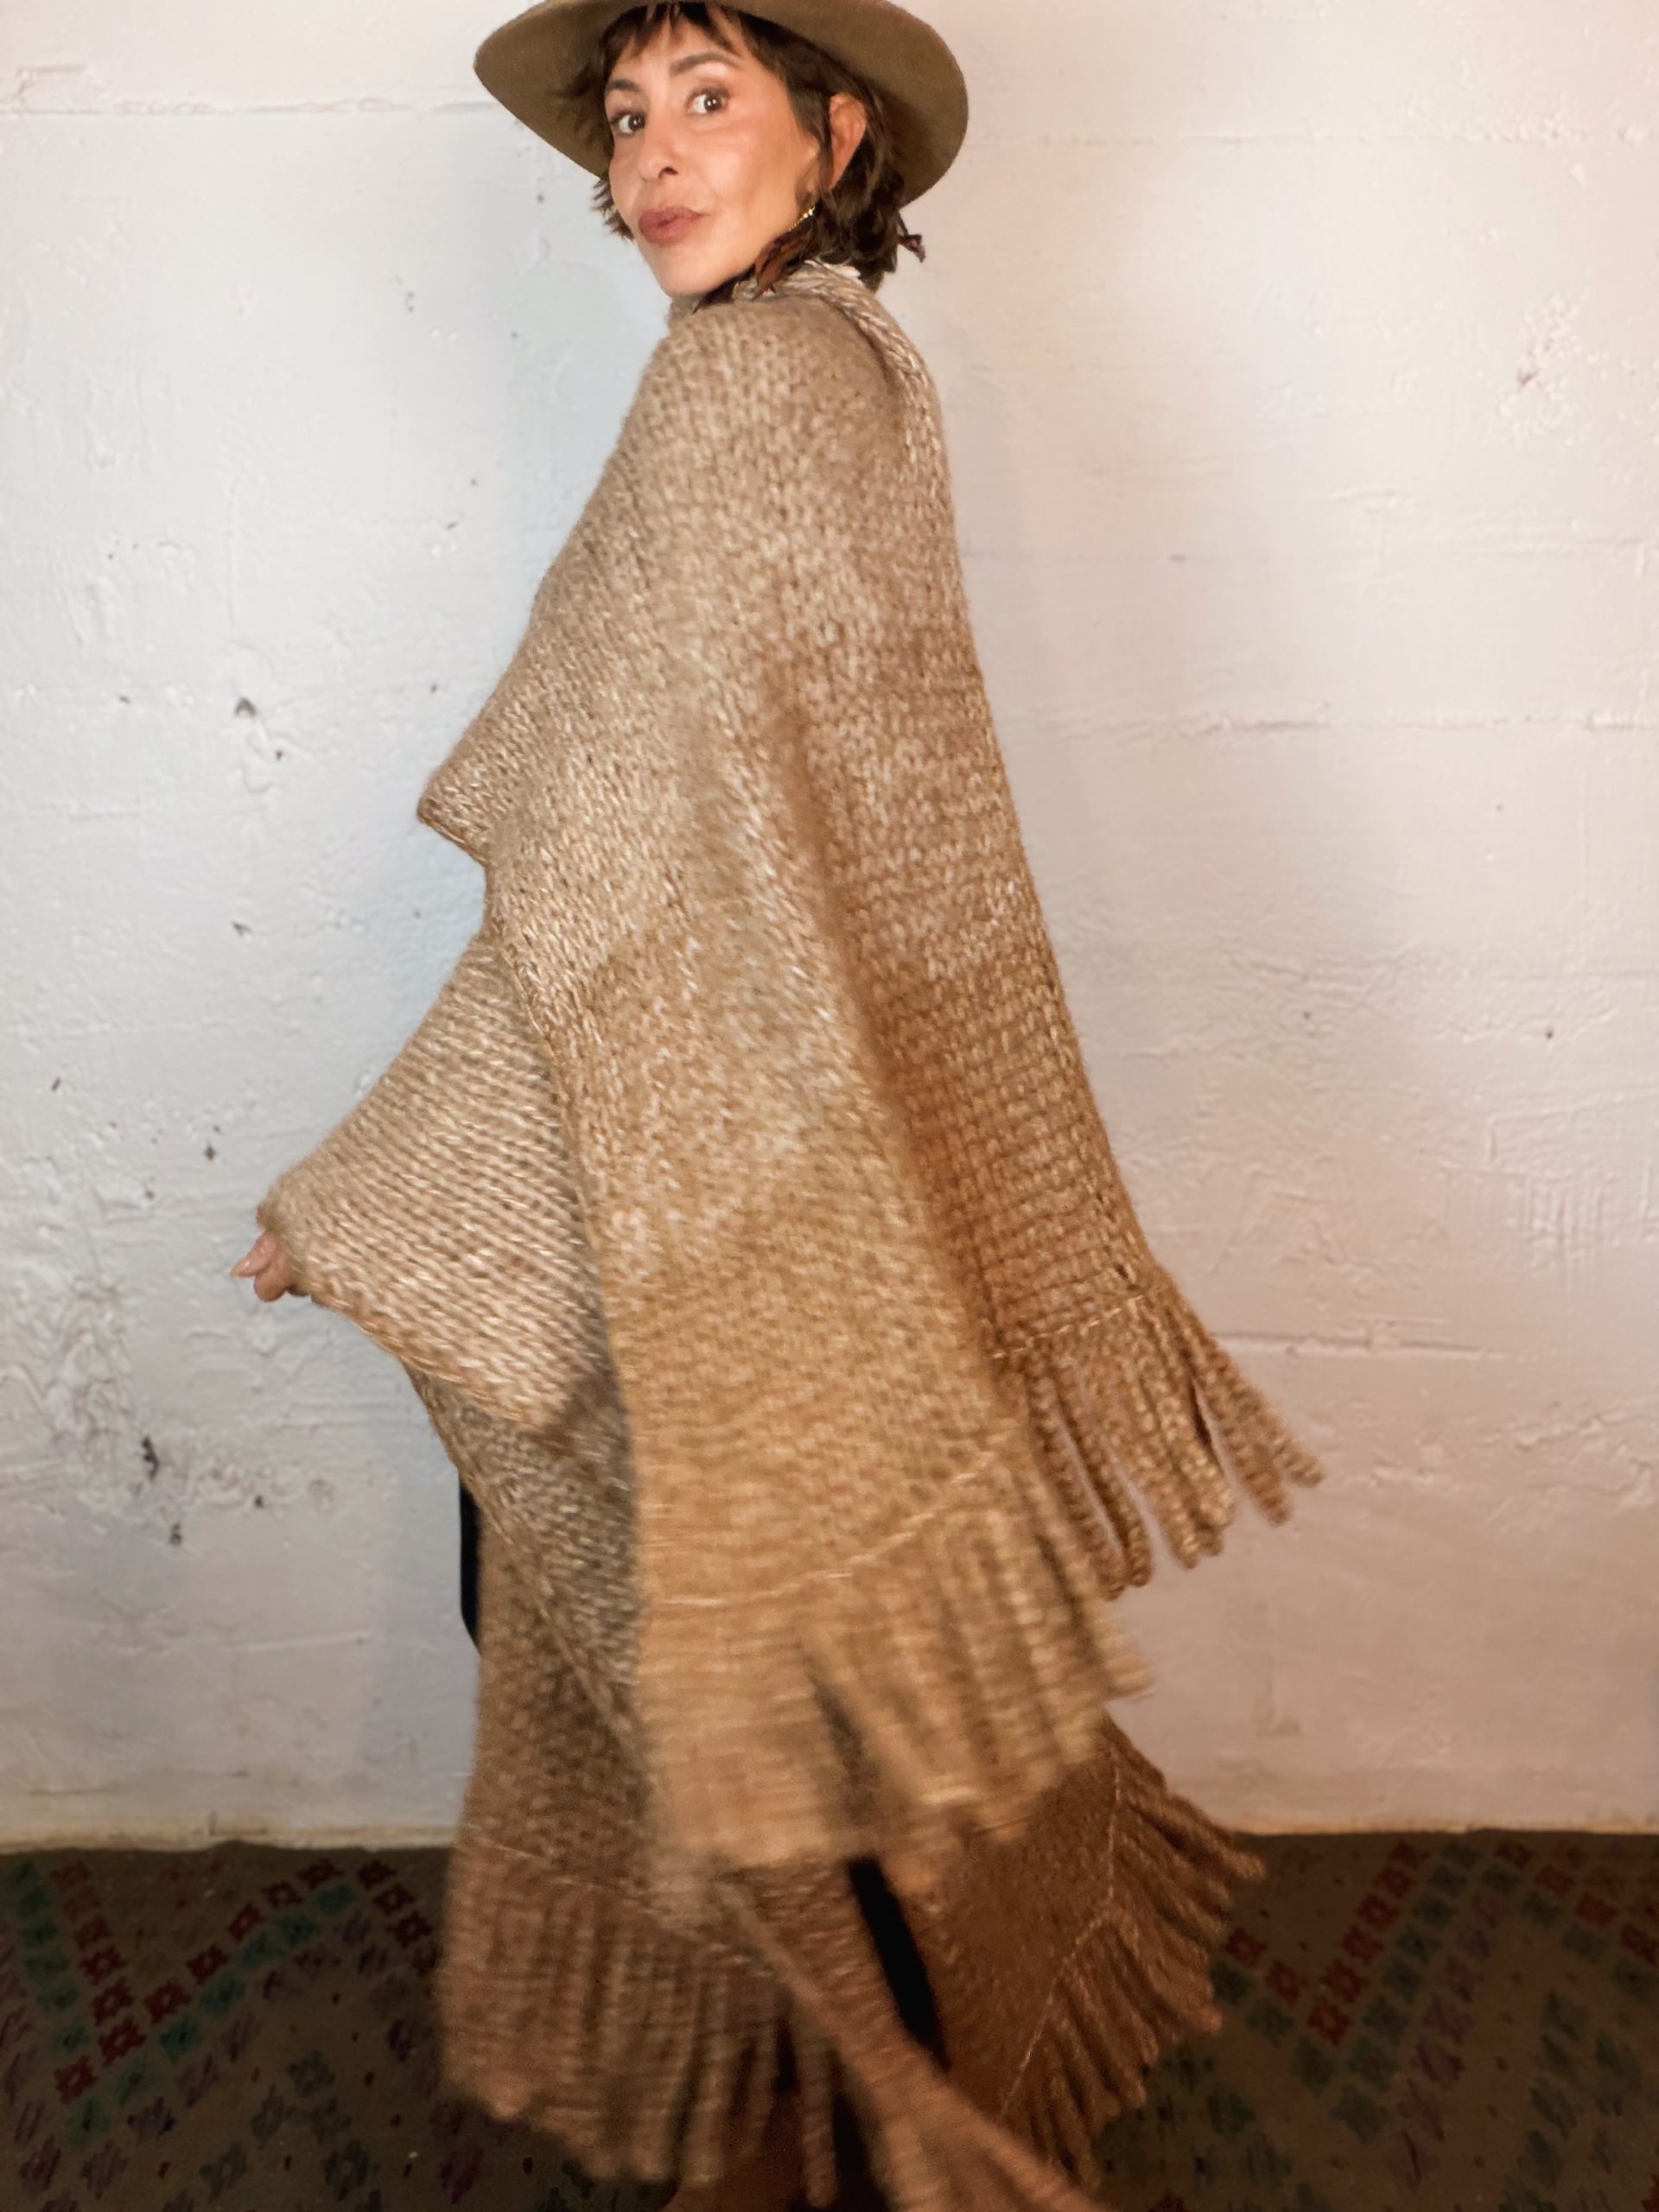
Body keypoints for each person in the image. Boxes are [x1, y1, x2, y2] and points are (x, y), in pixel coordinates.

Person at [234, 5, 1327, 2208]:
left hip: (715, 1151)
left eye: (707, 99)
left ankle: (858, 2103)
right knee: (784, 1656)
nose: (651, 153)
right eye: (629, 115)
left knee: (707, 1656)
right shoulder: (851, 374)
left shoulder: (744, 394)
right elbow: (674, 860)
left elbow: (608, 881)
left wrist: (371, 1194)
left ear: (836, 136)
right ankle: (839, 2082)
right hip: (772, 1133)